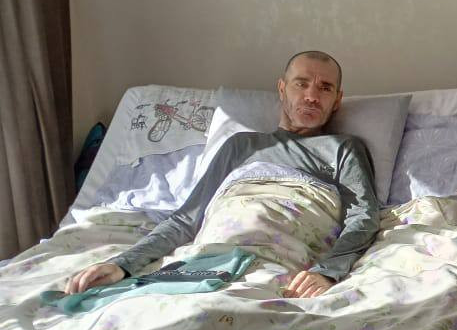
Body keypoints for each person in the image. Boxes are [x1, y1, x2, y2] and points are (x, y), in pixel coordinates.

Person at [65, 51, 380, 299]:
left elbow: (362, 217)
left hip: (285, 264)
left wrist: (327, 272)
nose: (312, 95)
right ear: (282, 89)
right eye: (302, 83)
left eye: (325, 88)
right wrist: (122, 264)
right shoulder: (241, 146)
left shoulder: (343, 148)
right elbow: (186, 219)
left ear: (337, 100)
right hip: (212, 256)